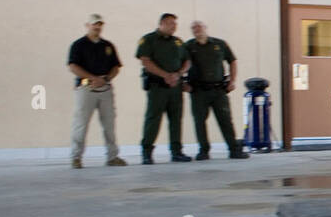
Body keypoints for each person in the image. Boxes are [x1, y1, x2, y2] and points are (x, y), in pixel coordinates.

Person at [183, 20, 249, 160]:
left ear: (206, 28)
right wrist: (183, 83)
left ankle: (233, 149)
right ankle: (203, 150)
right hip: (198, 90)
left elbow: (232, 61)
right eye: (193, 28)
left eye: (199, 27)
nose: (197, 30)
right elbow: (181, 64)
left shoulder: (220, 44)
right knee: (199, 121)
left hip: (218, 89)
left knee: (225, 119)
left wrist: (232, 80)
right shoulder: (188, 46)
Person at [67, 14, 126, 169]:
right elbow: (73, 66)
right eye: (94, 24)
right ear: (87, 25)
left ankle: (112, 157)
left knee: (109, 124)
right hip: (86, 88)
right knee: (81, 124)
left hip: (105, 89)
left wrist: (105, 79)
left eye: (100, 24)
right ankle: (76, 157)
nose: (97, 27)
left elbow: (116, 67)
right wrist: (93, 78)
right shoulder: (78, 45)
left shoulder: (107, 45)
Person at [136, 13, 192, 164]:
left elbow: (187, 61)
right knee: (153, 119)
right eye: (171, 23)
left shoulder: (178, 42)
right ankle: (147, 152)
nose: (174, 26)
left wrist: (178, 74)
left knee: (176, 120)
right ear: (162, 23)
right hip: (157, 87)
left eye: (175, 24)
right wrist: (165, 75)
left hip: (175, 87)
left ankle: (176, 151)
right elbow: (145, 61)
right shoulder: (148, 40)